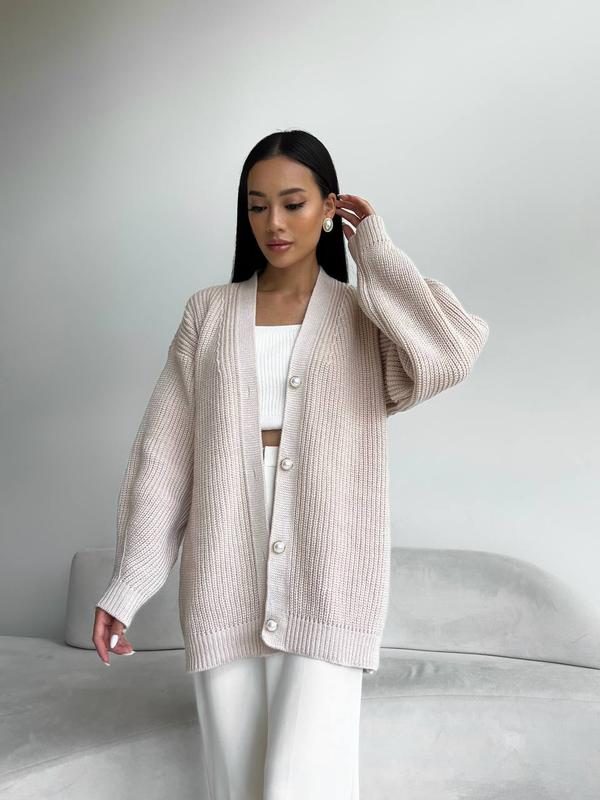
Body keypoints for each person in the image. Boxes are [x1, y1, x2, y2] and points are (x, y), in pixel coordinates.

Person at [92, 129, 490, 799]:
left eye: (293, 203)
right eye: (257, 206)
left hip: (329, 577)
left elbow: (450, 353)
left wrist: (377, 257)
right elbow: (164, 459)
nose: (273, 223)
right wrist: (127, 586)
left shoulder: (364, 316)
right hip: (221, 577)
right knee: (238, 785)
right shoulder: (208, 314)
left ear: (330, 208)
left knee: (307, 786)